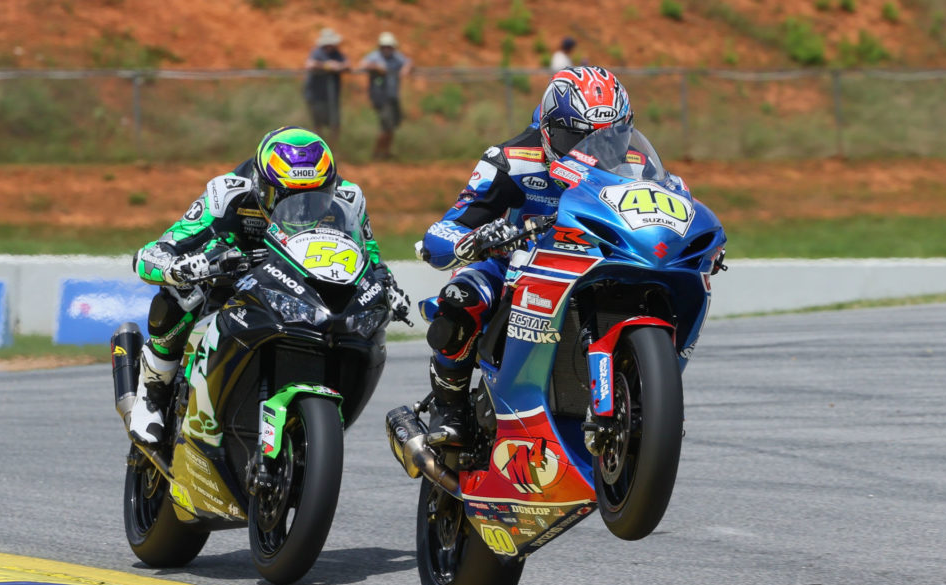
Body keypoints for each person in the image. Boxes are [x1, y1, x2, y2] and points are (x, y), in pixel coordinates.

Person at [128, 126, 409, 447]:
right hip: (230, 284)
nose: (303, 209)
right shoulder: (228, 193)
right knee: (184, 292)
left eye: (316, 195)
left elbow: (370, 256)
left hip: (302, 291)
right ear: (262, 186)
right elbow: (156, 251)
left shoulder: (349, 198)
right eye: (287, 197)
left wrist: (386, 284)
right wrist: (180, 267)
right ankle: (153, 390)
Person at [417, 66, 636, 444]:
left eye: (607, 139)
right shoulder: (510, 159)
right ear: (548, 128)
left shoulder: (636, 166)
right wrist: (469, 239)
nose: (591, 152)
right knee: (461, 298)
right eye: (576, 138)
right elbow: (454, 220)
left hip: (598, 265)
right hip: (515, 264)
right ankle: (449, 409)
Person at [359, 31, 412, 160]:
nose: (387, 49)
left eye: (389, 47)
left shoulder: (396, 57)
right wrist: (376, 67)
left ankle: (386, 152)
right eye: (384, 47)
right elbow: (362, 64)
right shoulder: (375, 57)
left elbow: (408, 61)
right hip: (380, 97)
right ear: (380, 47)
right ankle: (377, 153)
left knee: (392, 126)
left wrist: (405, 69)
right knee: (386, 126)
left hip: (393, 96)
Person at [303, 28, 350, 144]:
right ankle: (318, 149)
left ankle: (332, 150)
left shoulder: (337, 54)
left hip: (332, 96)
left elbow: (348, 65)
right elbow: (309, 64)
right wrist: (326, 66)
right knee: (318, 125)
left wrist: (339, 66)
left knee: (335, 124)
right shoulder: (317, 52)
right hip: (316, 95)